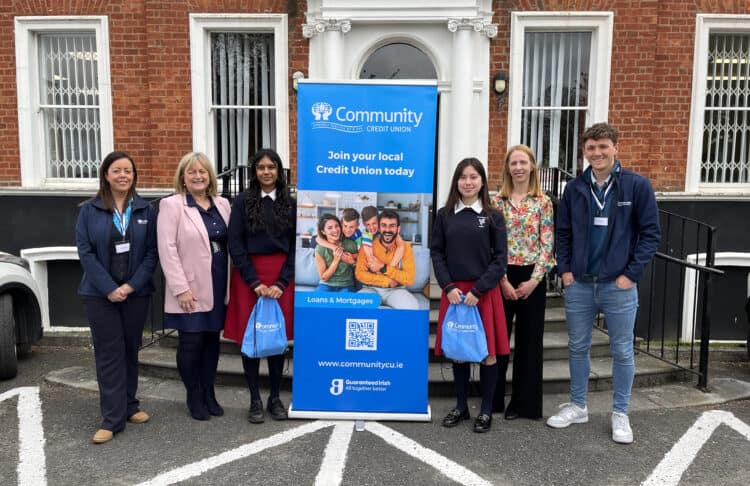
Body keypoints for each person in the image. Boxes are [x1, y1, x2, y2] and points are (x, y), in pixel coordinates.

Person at [547, 122, 660, 444]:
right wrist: (565, 270)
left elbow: (651, 235)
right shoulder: (575, 189)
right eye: (591, 148)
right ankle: (579, 405)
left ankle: (620, 413)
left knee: (622, 350)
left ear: (615, 148)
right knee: (577, 347)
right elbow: (564, 232)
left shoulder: (636, 186)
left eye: (602, 147)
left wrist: (631, 275)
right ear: (584, 152)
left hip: (618, 285)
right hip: (579, 283)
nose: (596, 153)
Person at [75, 151, 158, 444]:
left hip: (135, 294)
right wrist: (109, 287)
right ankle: (112, 418)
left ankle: (129, 405)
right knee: (109, 354)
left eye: (128, 171)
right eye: (117, 170)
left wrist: (130, 286)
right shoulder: (89, 210)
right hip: (100, 295)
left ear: (134, 176)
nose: (123, 175)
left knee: (129, 349)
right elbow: (85, 253)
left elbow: (151, 254)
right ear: (106, 175)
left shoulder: (146, 210)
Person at [431, 157, 509, 433]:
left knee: (488, 353)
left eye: (474, 176)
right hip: (454, 292)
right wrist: (448, 287)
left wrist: (479, 289)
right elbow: (437, 253)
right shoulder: (444, 214)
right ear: (456, 181)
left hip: (483, 293)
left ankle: (486, 411)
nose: (468, 182)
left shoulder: (493, 216)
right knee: (459, 352)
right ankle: (461, 406)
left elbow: (500, 259)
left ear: (482, 181)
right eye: (463, 177)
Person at [157, 152, 231, 421]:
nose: (198, 176)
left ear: (210, 176)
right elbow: (167, 249)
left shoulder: (223, 204)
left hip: (219, 282)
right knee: (191, 342)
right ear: (183, 178)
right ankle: (193, 394)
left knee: (212, 341)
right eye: (192, 172)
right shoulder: (172, 205)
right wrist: (180, 288)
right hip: (189, 285)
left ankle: (209, 392)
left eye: (203, 171)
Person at [224, 148, 296, 424]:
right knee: (251, 339)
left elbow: (294, 247)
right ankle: (254, 399)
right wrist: (253, 281)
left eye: (272, 167)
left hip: (280, 278)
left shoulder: (289, 204)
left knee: (277, 340)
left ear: (279, 171)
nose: (266, 172)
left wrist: (282, 281)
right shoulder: (243, 202)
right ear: (254, 172)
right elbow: (236, 244)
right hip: (249, 278)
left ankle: (274, 397)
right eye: (261, 167)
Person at [492, 145, 555, 420]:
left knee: (530, 344)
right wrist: (502, 280)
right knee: (499, 340)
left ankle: (523, 404)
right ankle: (492, 400)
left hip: (532, 278)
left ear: (532, 166)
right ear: (507, 168)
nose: (518, 167)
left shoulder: (543, 202)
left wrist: (534, 281)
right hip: (502, 277)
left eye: (523, 162)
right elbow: (492, 246)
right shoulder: (497, 202)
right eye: (513, 163)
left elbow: (547, 244)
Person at [355, 209, 418, 309]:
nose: (387, 230)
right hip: (371, 289)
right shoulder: (367, 245)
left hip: (396, 290)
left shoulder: (405, 247)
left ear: (398, 229)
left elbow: (409, 278)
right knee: (357, 306)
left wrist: (383, 268)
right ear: (379, 228)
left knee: (412, 307)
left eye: (392, 226)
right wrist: (386, 281)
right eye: (384, 225)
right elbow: (360, 273)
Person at [314, 213, 358, 292]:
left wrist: (353, 262)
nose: (335, 230)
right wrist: (336, 259)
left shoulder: (351, 244)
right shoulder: (320, 249)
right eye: (330, 228)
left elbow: (359, 268)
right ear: (323, 231)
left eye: (336, 226)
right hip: (326, 285)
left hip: (346, 286)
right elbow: (324, 277)